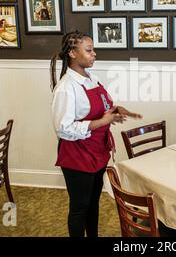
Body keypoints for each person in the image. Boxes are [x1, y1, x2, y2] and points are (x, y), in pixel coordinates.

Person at [50, 31, 142, 237]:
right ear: (73, 53)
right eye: (89, 50)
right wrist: (102, 122)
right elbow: (63, 128)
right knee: (79, 207)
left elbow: (101, 107)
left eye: (93, 50)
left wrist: (117, 109)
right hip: (77, 156)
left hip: (98, 151)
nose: (94, 54)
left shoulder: (92, 78)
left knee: (93, 203)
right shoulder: (66, 88)